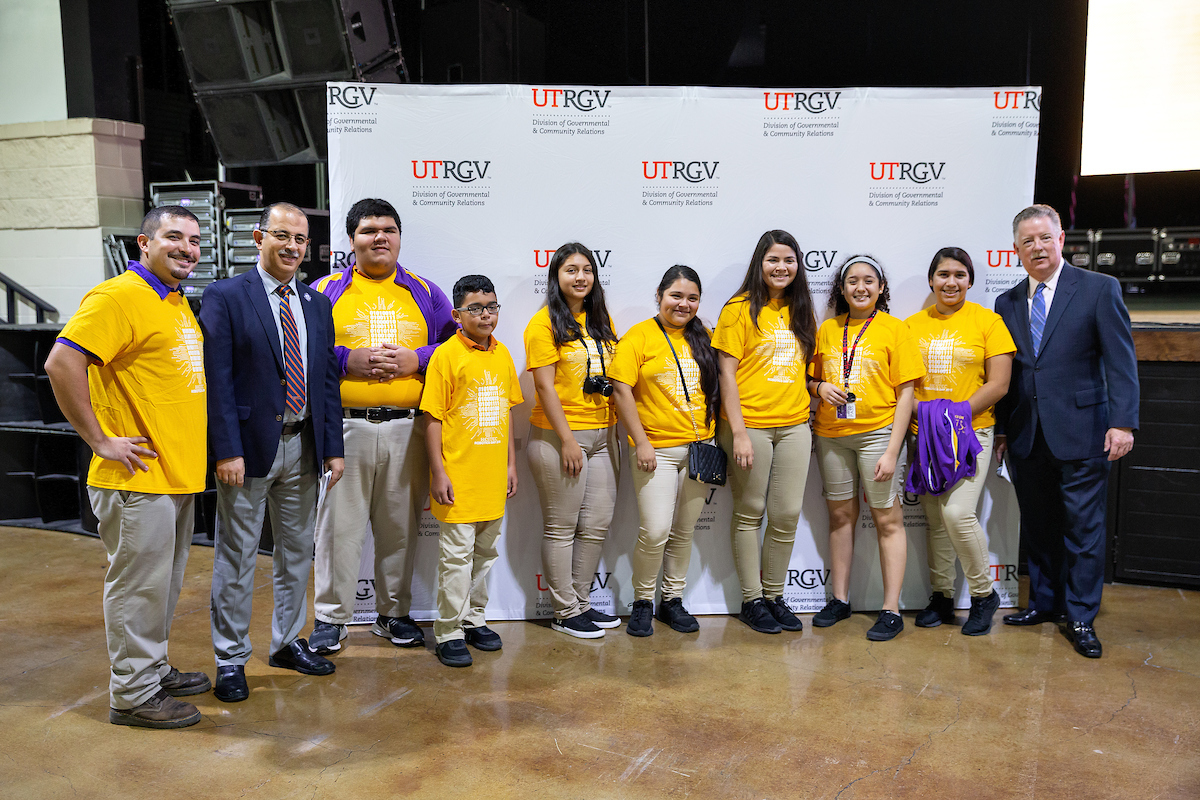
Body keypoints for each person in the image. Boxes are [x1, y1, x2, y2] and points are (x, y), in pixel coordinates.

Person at [43, 206, 211, 728]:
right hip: (136, 478)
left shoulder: (174, 302)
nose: (186, 247)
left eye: (194, 239)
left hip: (174, 474)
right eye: (174, 237)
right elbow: (60, 362)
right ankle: (133, 695)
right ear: (144, 242)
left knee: (160, 586)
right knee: (137, 587)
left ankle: (151, 669)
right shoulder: (119, 296)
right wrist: (99, 439)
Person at [199, 203, 346, 702]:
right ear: (260, 237)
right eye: (282, 236)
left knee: (296, 555)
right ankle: (231, 657)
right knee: (236, 558)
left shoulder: (315, 302)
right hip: (247, 453)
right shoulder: (225, 297)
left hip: (303, 447)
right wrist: (226, 449)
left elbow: (326, 380)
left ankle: (286, 641)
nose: (292, 247)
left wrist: (332, 448)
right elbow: (215, 381)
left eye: (301, 240)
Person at [308, 198, 457, 656]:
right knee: (338, 530)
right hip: (344, 431)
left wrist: (420, 358)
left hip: (406, 429)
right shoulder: (324, 290)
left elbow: (457, 351)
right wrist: (344, 359)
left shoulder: (426, 292)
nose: (379, 238)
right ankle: (331, 618)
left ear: (398, 237)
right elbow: (302, 349)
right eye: (368, 230)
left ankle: (394, 614)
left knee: (399, 528)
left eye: (388, 229)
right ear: (351, 240)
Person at [994, 204, 1138, 659]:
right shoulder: (1008, 302)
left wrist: (1122, 422)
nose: (1036, 247)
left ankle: (1079, 616)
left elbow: (1121, 361)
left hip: (1085, 432)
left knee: (1084, 530)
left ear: (1061, 240)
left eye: (1043, 237)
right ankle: (1045, 603)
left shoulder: (1099, 289)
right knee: (1039, 527)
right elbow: (1008, 376)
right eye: (1026, 241)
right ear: (1016, 250)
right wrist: (1001, 433)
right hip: (1026, 435)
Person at [807, 255, 925, 641]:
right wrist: (819, 388)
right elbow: (811, 379)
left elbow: (906, 392)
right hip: (831, 435)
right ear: (841, 290)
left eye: (869, 281)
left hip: (879, 433)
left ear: (881, 288)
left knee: (888, 520)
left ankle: (891, 609)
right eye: (852, 281)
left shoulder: (895, 329)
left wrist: (893, 451)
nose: (861, 287)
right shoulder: (827, 329)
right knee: (840, 518)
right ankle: (839, 599)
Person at [904, 248, 1014, 636]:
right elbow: (900, 384)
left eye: (959, 275)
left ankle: (984, 596)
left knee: (956, 514)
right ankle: (942, 596)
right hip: (925, 434)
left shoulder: (989, 322)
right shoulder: (912, 325)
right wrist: (926, 416)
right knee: (936, 521)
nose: (951, 282)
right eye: (943, 274)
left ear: (970, 281)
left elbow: (999, 384)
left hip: (972, 434)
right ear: (931, 279)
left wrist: (954, 415)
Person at [712, 230, 818, 634]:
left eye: (789, 260)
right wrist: (737, 431)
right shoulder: (738, 309)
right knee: (749, 512)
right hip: (750, 425)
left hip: (794, 425)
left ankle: (775, 595)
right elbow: (727, 373)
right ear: (760, 263)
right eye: (773, 260)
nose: (781, 268)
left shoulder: (802, 309)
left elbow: (803, 370)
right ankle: (751, 600)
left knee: (787, 513)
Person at [610, 265, 720, 637]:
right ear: (659, 295)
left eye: (692, 298)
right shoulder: (638, 337)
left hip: (701, 448)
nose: (683, 304)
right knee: (655, 530)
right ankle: (642, 601)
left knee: (683, 531)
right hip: (655, 450)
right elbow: (621, 390)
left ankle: (672, 600)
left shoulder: (705, 335)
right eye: (676, 296)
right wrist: (640, 441)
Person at [421, 275, 523, 667]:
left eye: (492, 307)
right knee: (456, 558)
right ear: (457, 314)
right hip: (458, 477)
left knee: (485, 554)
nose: (486, 314)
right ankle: (448, 630)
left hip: (492, 475)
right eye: (476, 308)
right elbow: (432, 418)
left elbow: (507, 413)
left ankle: (474, 617)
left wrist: (511, 465)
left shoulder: (502, 355)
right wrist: (438, 471)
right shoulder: (446, 356)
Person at [524, 243, 622, 639]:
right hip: (559, 436)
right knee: (562, 527)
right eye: (570, 270)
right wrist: (566, 439)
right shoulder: (543, 323)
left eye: (586, 270)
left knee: (596, 524)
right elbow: (544, 388)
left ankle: (580, 603)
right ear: (556, 277)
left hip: (602, 435)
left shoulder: (600, 320)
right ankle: (564, 610)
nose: (580, 277)